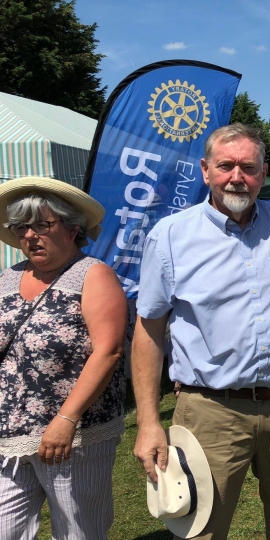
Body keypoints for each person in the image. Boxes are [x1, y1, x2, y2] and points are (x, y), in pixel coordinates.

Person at [132, 123, 270, 540]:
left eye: (249, 167)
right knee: (201, 526)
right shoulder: (170, 237)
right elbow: (148, 331)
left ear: (264, 171)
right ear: (205, 171)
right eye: (226, 166)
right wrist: (149, 421)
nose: (237, 176)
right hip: (210, 411)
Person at [0, 177, 127, 539]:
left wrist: (66, 419)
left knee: (78, 532)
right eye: (22, 227)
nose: (30, 236)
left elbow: (109, 350)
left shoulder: (92, 276)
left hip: (76, 437)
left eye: (42, 224)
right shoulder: (7, 280)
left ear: (72, 229)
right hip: (9, 438)